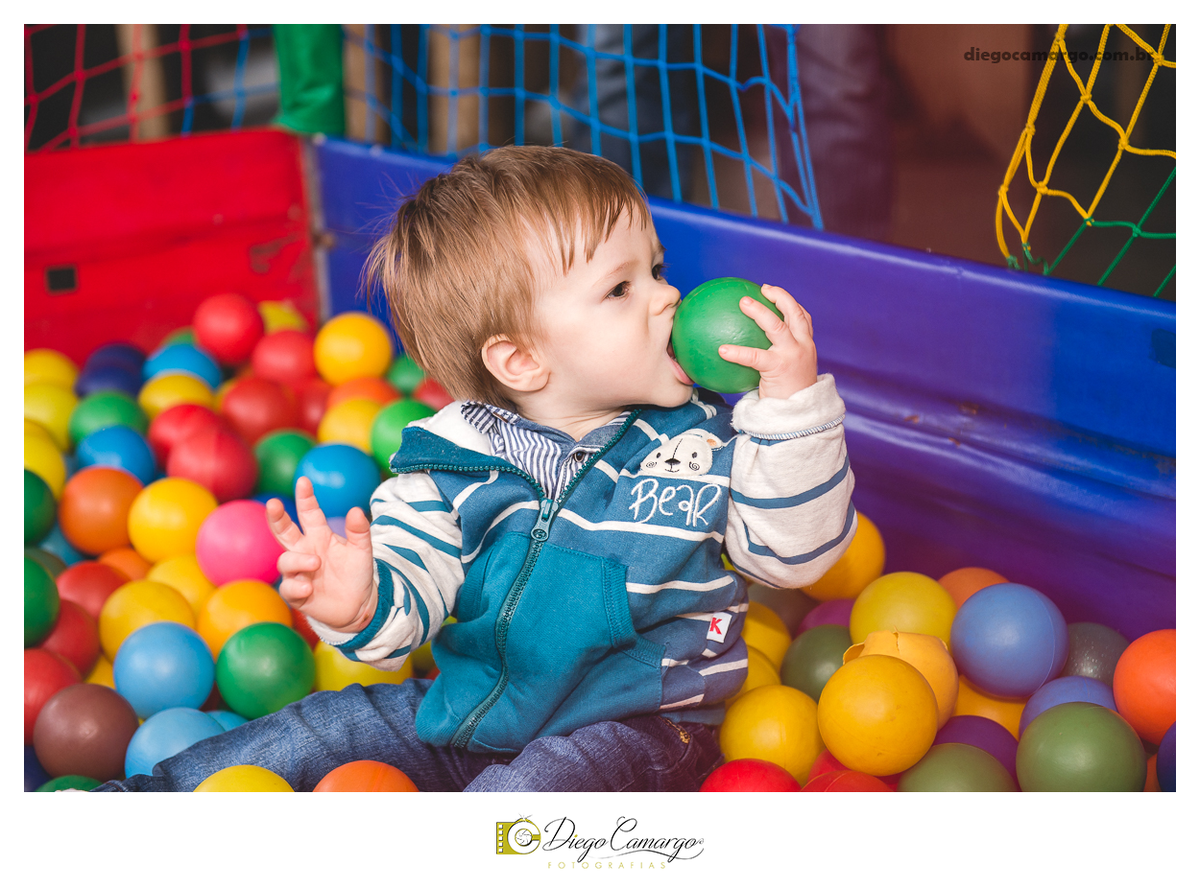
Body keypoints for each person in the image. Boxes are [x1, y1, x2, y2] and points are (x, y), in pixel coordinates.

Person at [95, 145, 856, 792]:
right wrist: (358, 601)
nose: (669, 298)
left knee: (519, 800)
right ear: (521, 360)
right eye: (623, 288)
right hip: (473, 709)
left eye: (656, 269)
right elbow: (411, 600)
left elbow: (793, 555)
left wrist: (789, 409)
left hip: (641, 730)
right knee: (318, 729)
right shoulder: (446, 464)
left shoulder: (704, 443)